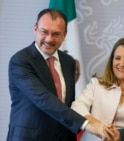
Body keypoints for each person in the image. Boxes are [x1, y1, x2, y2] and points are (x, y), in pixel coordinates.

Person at [7, 8, 112, 141]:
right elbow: (43, 98)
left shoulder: (68, 61)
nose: (49, 39)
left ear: (65, 34)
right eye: (44, 32)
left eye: (56, 34)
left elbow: (68, 102)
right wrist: (86, 124)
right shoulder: (21, 61)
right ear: (35, 29)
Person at [71, 37, 124, 141]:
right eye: (117, 58)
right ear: (112, 61)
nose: (122, 63)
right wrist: (97, 126)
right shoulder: (96, 84)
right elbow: (77, 106)